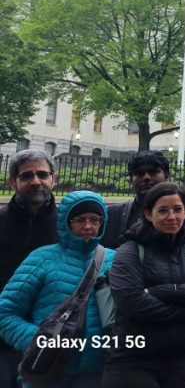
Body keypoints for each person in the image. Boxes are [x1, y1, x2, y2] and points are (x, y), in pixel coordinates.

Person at [103, 182, 185, 388]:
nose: (171, 217)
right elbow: (133, 303)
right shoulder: (130, 251)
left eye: (177, 209)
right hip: (133, 360)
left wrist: (163, 292)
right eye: (163, 210)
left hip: (180, 359)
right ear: (148, 214)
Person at [0, 191, 114, 388]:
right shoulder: (42, 258)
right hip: (47, 370)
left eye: (95, 220)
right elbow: (5, 311)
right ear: (65, 222)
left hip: (97, 373)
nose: (88, 226)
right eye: (79, 220)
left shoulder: (115, 259)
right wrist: (36, 340)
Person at [0, 149, 59, 388]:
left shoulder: (69, 225)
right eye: (27, 176)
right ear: (12, 182)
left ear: (54, 179)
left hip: (51, 332)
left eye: (43, 174)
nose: (36, 181)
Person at [101, 150, 169, 249]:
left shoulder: (182, 215)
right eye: (139, 173)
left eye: (153, 172)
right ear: (131, 179)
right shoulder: (111, 216)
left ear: (166, 175)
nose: (146, 177)